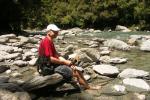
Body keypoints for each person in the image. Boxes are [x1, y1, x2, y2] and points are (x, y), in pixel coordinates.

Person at [38, 24, 101, 90]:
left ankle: (84, 84)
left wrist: (68, 63)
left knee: (75, 68)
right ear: (49, 32)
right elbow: (51, 59)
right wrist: (65, 62)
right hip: (48, 67)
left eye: (57, 31)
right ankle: (88, 87)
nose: (57, 33)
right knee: (75, 72)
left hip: (51, 65)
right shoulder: (46, 42)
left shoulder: (49, 40)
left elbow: (56, 55)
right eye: (55, 31)